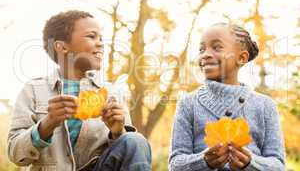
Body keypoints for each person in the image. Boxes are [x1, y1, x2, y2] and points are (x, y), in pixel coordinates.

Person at [7, 10, 152, 171]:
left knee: (135, 140)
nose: (100, 43)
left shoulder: (112, 93)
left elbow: (129, 153)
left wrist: (118, 132)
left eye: (101, 38)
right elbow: (15, 153)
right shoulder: (33, 90)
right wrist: (48, 124)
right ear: (61, 47)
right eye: (91, 36)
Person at [169, 23, 285, 171]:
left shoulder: (265, 106)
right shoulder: (188, 103)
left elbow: (278, 165)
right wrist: (203, 161)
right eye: (201, 49)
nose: (206, 54)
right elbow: (175, 164)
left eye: (217, 47)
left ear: (242, 58)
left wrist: (251, 163)